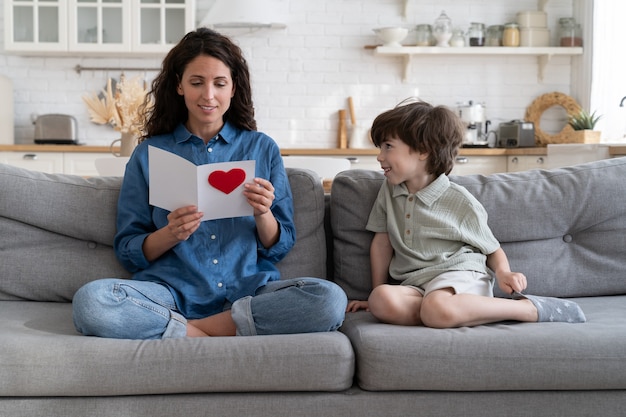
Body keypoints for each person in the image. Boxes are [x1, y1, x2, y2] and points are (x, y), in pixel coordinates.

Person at [72, 28, 347, 339]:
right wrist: (170, 233)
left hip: (248, 292)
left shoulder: (262, 148)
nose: (208, 95)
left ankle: (189, 333)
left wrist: (262, 213)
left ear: (233, 88)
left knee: (329, 300)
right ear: (179, 85)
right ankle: (223, 331)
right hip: (170, 293)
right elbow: (128, 250)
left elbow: (279, 245)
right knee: (91, 303)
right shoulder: (150, 153)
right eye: (196, 82)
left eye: (219, 83)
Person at [346, 99, 585, 328]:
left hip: (460, 275)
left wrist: (503, 272)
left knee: (436, 305)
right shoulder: (388, 191)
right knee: (381, 299)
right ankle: (445, 312)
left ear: (423, 150)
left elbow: (491, 248)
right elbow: (382, 242)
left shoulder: (458, 199)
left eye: (388, 146)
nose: (379, 156)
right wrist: (373, 290)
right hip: (417, 284)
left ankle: (528, 309)